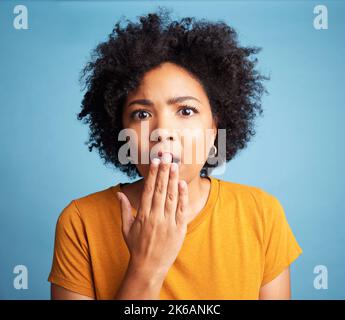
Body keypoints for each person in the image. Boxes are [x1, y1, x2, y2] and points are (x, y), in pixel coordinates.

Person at [48, 8, 302, 300]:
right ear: (121, 131)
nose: (162, 131)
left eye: (186, 110)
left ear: (214, 125)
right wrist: (146, 266)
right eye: (141, 113)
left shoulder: (262, 214)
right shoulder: (80, 221)